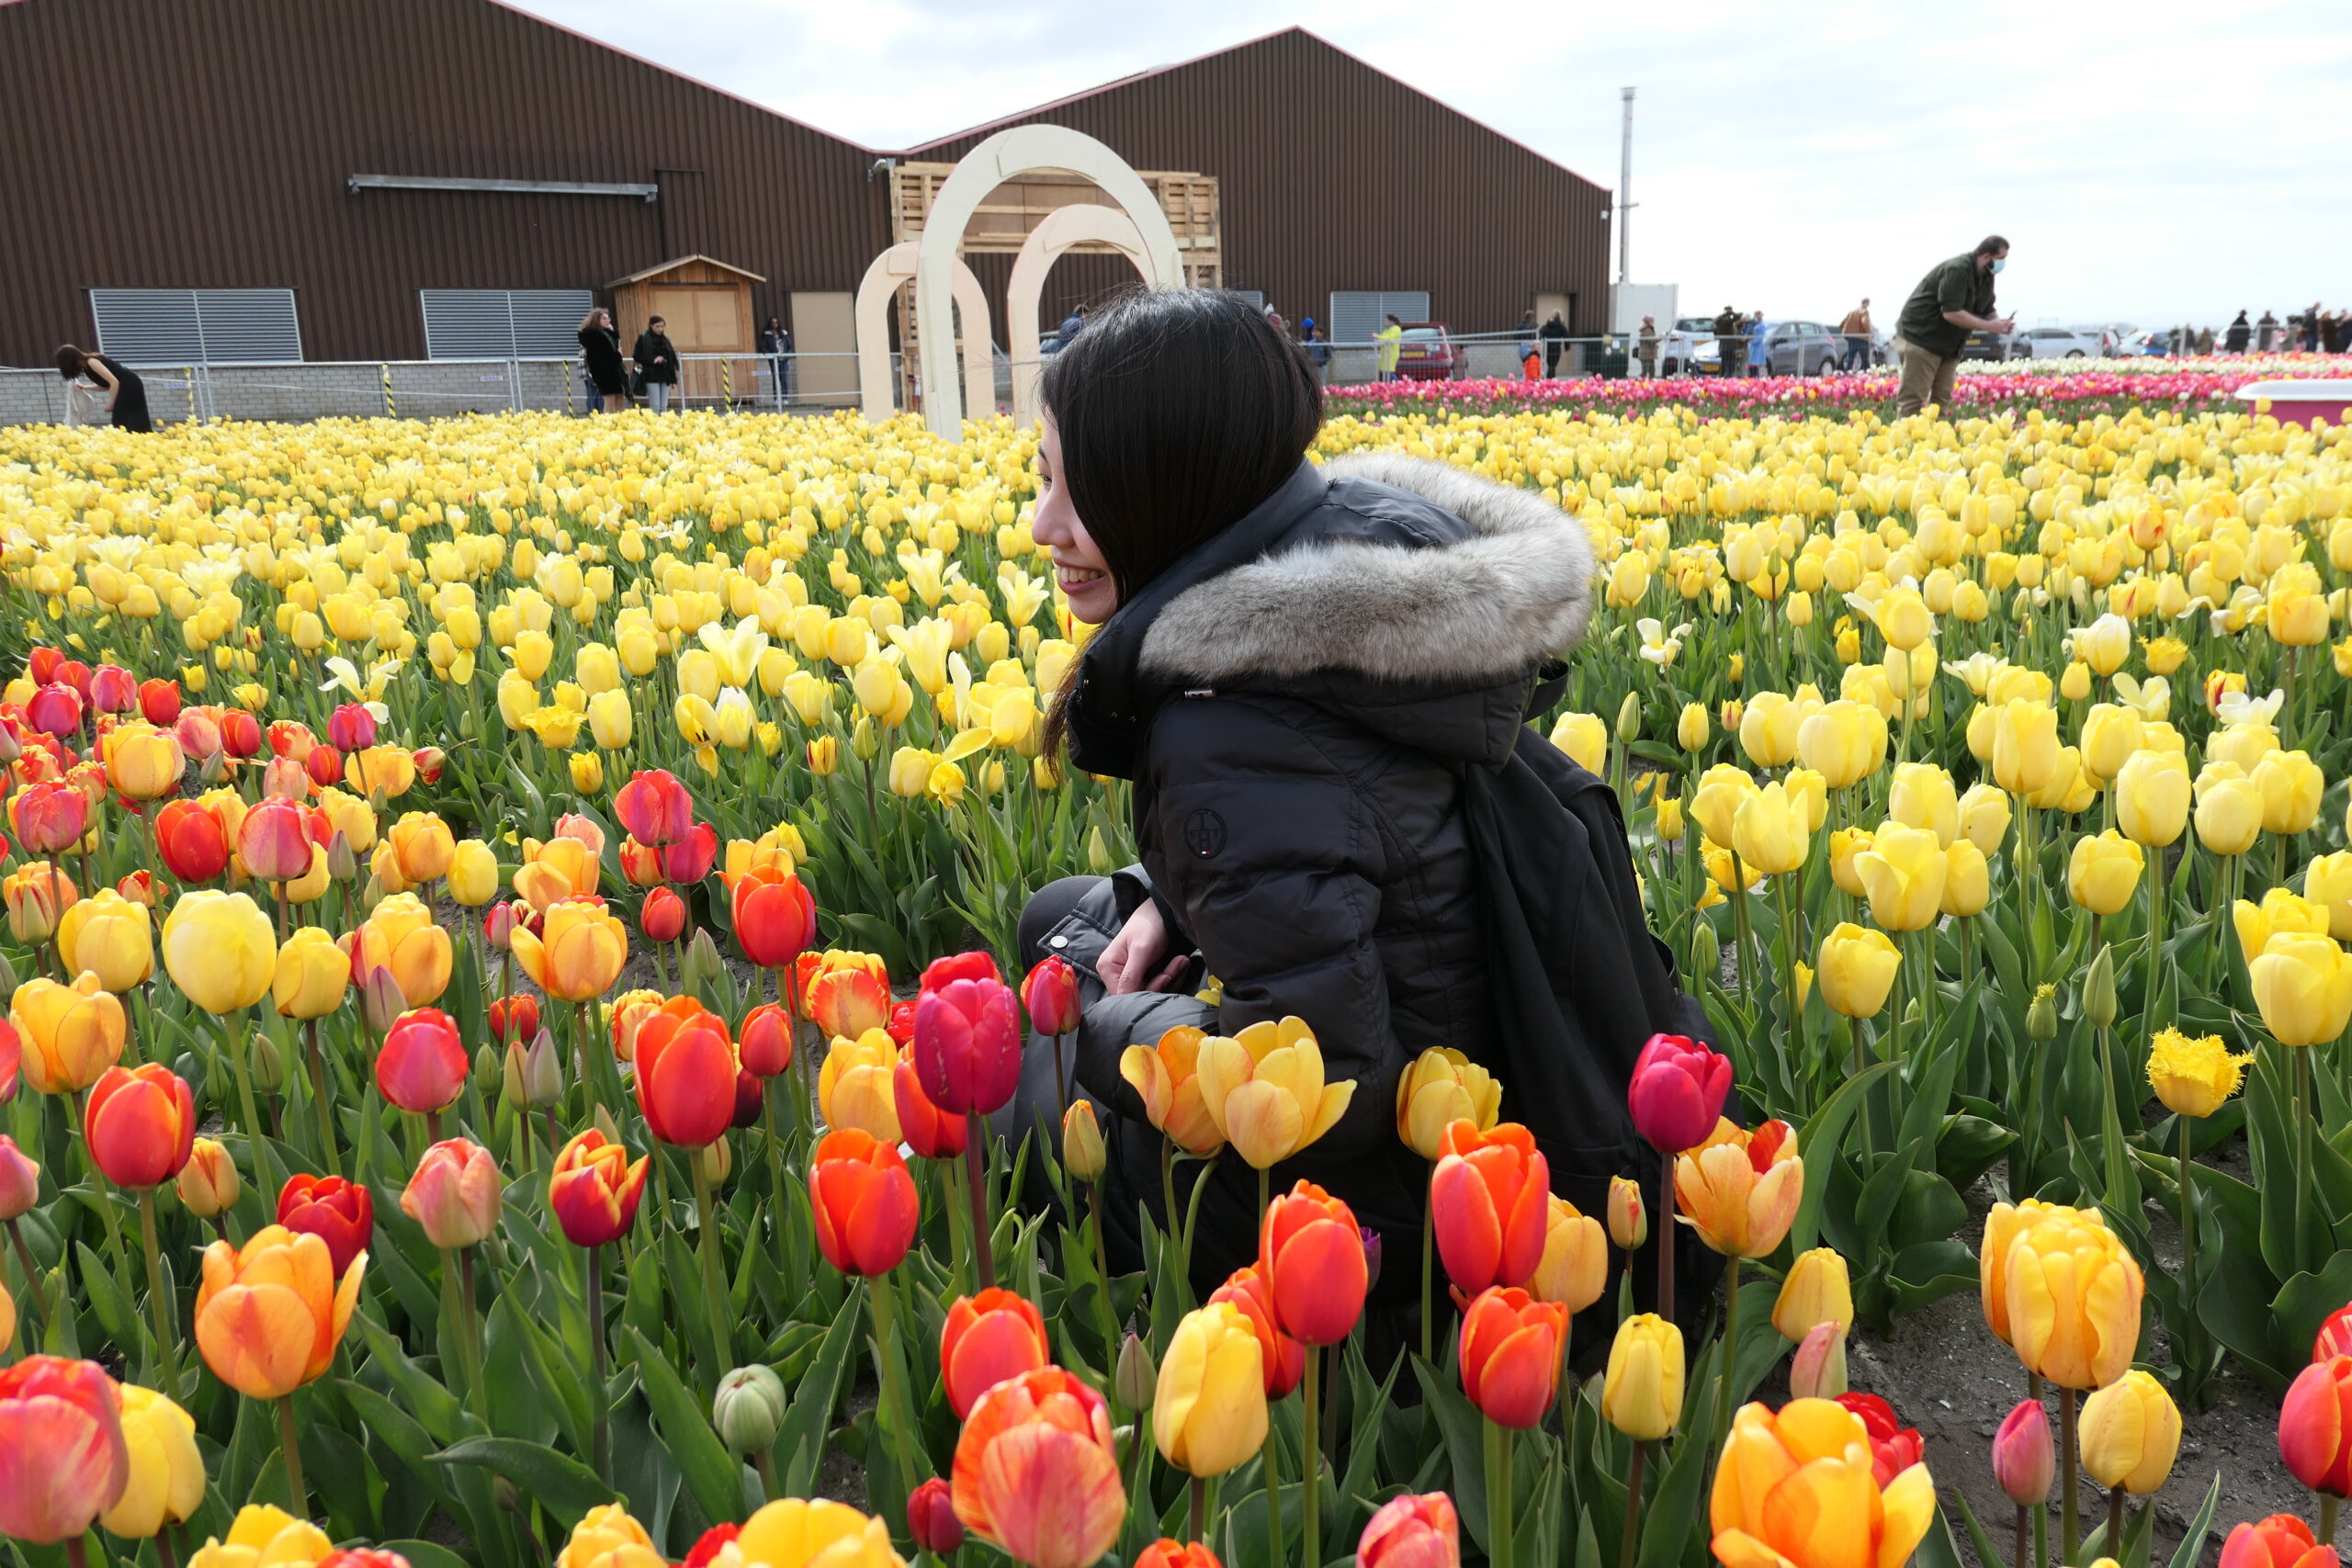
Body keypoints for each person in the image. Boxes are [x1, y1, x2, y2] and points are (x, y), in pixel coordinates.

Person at [1006, 288, 1713, 1322]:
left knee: (1028, 1060)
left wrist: (1097, 1032)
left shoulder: (1224, 719)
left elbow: (1321, 1089)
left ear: (1166, 486)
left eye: (1075, 489)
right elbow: (1335, 819)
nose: (1042, 527)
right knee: (1062, 917)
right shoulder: (1354, 573)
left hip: (1383, 1209)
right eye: (1041, 479)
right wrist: (1165, 897)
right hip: (1472, 1063)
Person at [1892, 235, 2015, 417]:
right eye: (2001, 258)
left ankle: (1935, 442)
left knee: (1941, 399)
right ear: (1988, 257)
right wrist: (1990, 327)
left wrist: (2000, 323)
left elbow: (1986, 307)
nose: (2003, 263)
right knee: (1913, 401)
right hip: (1921, 338)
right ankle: (1905, 441)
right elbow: (1951, 313)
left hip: (1949, 346)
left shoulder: (1986, 276)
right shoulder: (1957, 270)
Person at [53, 345, 153, 432]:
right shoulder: (87, 369)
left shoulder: (92, 362)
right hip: (124, 385)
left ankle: (136, 438)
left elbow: (114, 382)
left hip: (130, 384)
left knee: (123, 418)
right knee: (123, 419)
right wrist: (85, 387)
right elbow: (106, 385)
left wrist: (111, 404)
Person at [578, 308, 627, 413]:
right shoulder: (594, 336)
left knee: (619, 398)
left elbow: (614, 343)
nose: (608, 320)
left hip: (613, 370)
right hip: (603, 371)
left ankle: (620, 422)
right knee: (609, 400)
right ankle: (606, 424)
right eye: (604, 318)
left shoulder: (605, 333)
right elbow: (605, 354)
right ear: (597, 320)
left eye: (608, 318)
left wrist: (613, 331)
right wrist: (618, 355)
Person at [632, 314, 679, 412]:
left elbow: (671, 360)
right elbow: (636, 356)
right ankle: (655, 425)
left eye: (662, 326)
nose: (660, 329)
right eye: (657, 326)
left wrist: (673, 380)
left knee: (664, 405)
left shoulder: (666, 339)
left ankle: (664, 426)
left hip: (665, 375)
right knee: (655, 405)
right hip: (651, 375)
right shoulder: (643, 338)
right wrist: (653, 360)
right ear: (651, 325)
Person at [757, 315, 794, 407]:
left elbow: (790, 347)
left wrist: (787, 355)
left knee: (784, 378)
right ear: (770, 324)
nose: (775, 324)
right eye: (773, 322)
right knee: (776, 379)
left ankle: (785, 398)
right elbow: (762, 347)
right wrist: (770, 355)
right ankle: (777, 398)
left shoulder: (784, 334)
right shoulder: (767, 335)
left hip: (784, 360)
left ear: (778, 323)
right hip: (774, 360)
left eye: (776, 322)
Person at [1838, 299, 1873, 371]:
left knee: (1850, 359)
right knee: (1864, 360)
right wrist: (1869, 334)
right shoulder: (1864, 312)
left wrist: (1846, 333)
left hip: (1851, 338)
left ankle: (1847, 375)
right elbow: (1865, 323)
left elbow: (1842, 324)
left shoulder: (1852, 312)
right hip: (1862, 338)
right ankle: (1867, 375)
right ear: (1866, 303)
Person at [1712, 305, 1742, 379]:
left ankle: (1723, 379)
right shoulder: (1726, 322)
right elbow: (1739, 316)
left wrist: (1725, 314)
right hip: (1729, 347)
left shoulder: (1718, 321)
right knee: (1730, 367)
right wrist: (1732, 313)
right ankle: (1728, 381)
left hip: (1723, 347)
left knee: (1725, 366)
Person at [1539, 310, 1569, 378]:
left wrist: (1540, 345)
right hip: (1556, 348)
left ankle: (1549, 379)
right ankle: (1551, 379)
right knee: (1553, 365)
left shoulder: (1547, 326)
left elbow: (1540, 334)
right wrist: (1567, 347)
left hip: (1547, 347)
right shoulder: (1561, 327)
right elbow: (1566, 336)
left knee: (1550, 364)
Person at [1374, 314, 1404, 381]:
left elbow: (1389, 338)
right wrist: (1379, 338)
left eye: (1386, 321)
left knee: (1389, 371)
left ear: (1391, 321)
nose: (1385, 322)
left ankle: (1398, 384)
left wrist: (1378, 336)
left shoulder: (1396, 329)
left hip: (1391, 354)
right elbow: (1383, 338)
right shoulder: (1387, 330)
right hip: (1385, 354)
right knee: (1384, 371)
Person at [1302, 320, 1330, 386]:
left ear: (1321, 333)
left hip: (1321, 368)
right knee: (1312, 384)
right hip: (1312, 367)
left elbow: (1329, 356)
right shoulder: (1310, 343)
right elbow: (1307, 354)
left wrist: (1319, 361)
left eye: (1317, 331)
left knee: (1322, 384)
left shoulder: (1325, 344)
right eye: (1313, 331)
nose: (1314, 333)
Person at [1745, 311, 1769, 378]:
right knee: (1751, 366)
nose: (1757, 317)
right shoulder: (1755, 324)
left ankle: (1755, 378)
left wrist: (1750, 341)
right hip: (1753, 347)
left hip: (1757, 348)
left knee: (1755, 366)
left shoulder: (1762, 326)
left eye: (1758, 315)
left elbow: (1760, 338)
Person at [1635, 314, 1659, 378]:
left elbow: (1650, 341)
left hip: (1649, 354)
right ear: (1647, 321)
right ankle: (1636, 383)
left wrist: (1655, 346)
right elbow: (1652, 340)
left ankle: (1650, 385)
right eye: (1651, 320)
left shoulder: (1648, 328)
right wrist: (1662, 336)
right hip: (1645, 354)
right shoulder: (1646, 329)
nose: (1653, 321)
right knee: (1644, 372)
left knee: (1652, 372)